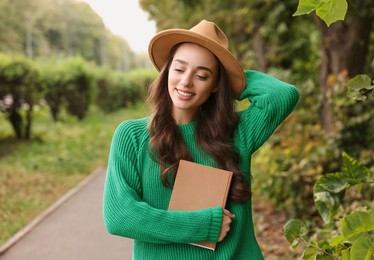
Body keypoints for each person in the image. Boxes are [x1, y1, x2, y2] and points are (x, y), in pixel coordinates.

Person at [103, 20, 299, 259]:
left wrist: (232, 77)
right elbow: (120, 217)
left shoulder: (237, 133)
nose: (186, 81)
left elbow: (283, 94)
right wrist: (204, 225)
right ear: (166, 71)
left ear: (216, 85)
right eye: (179, 69)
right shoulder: (132, 136)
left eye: (202, 75)